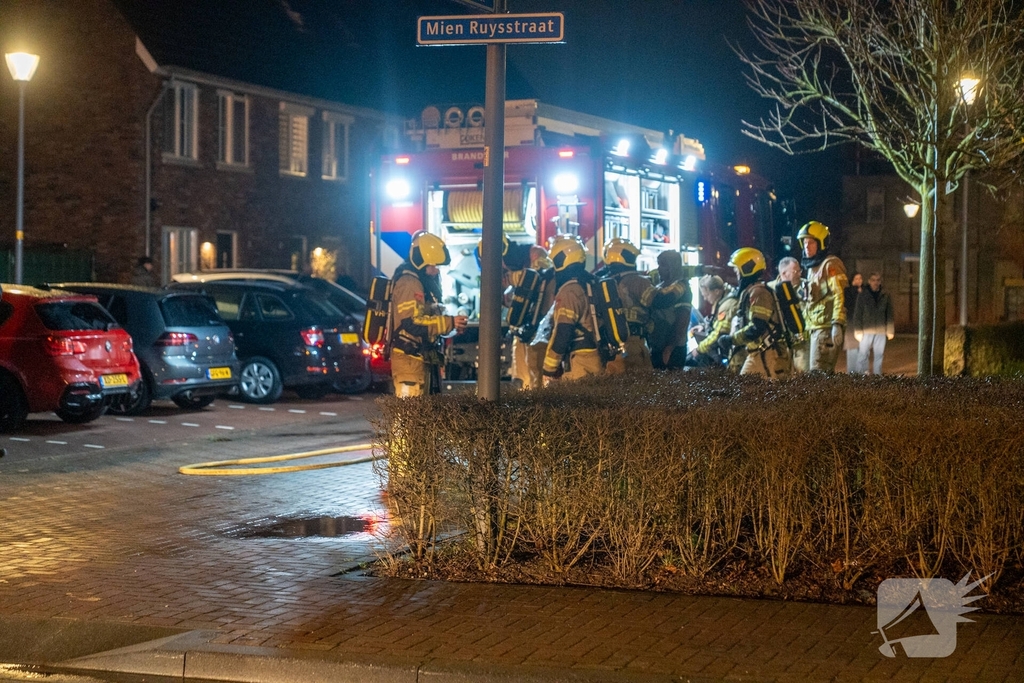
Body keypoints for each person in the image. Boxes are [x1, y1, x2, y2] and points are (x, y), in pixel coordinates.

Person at [389, 232, 468, 397]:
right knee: (408, 419)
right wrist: (450, 323)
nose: (436, 270)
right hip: (409, 362)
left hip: (421, 359)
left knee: (421, 417)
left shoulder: (420, 283)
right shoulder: (409, 284)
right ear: (421, 262)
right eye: (433, 265)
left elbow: (430, 317)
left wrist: (452, 326)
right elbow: (413, 323)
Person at [719, 247, 792, 379]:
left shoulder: (759, 293)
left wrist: (732, 339)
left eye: (737, 269)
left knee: (746, 394)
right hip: (760, 353)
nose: (736, 273)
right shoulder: (753, 290)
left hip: (767, 355)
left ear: (747, 268)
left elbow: (757, 327)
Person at [542, 235, 603, 383]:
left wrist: (549, 369)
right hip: (598, 354)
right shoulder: (592, 282)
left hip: (582, 360)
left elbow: (563, 331)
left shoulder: (569, 291)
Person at [797, 221, 848, 373]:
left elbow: (839, 294)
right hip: (814, 328)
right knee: (813, 375)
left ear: (821, 243)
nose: (807, 246)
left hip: (826, 329)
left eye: (811, 242)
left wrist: (837, 323)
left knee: (819, 374)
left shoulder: (830, 264)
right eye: (804, 243)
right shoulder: (812, 268)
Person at [599, 238, 654, 374]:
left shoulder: (603, 283)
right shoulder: (639, 281)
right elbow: (659, 301)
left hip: (609, 346)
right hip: (634, 344)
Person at [508, 243, 555, 389]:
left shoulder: (529, 281)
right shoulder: (548, 280)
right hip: (535, 334)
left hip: (527, 333)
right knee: (534, 378)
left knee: (529, 379)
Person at [642, 249, 692, 369]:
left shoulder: (682, 288)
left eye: (662, 265)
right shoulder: (659, 287)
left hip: (673, 349)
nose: (659, 268)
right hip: (656, 346)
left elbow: (682, 320)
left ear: (672, 266)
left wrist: (670, 347)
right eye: (658, 264)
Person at [688, 274, 740, 370]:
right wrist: (704, 326)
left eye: (706, 295)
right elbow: (715, 323)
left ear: (716, 291)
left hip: (730, 354)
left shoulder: (727, 306)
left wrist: (699, 349)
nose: (705, 298)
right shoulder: (722, 300)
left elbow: (718, 334)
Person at [853, 272, 895, 375]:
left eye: (878, 280)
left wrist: (890, 330)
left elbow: (889, 314)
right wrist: (858, 330)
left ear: (880, 282)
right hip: (866, 330)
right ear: (869, 281)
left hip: (881, 330)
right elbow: (858, 313)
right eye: (873, 280)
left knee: (879, 354)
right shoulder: (863, 295)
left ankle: (877, 374)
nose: (875, 282)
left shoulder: (885, 295)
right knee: (863, 354)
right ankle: (861, 374)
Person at [771, 256, 808, 373]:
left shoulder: (806, 286)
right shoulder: (770, 289)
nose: (799, 274)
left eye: (799, 271)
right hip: (780, 345)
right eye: (795, 271)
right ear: (784, 273)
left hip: (802, 343)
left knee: (803, 377)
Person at [843, 273, 864, 372]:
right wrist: (857, 292)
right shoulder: (848, 291)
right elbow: (849, 304)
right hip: (851, 322)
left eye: (860, 278)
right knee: (852, 348)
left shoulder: (864, 291)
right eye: (856, 278)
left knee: (863, 348)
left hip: (862, 323)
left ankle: (862, 371)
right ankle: (852, 371)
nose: (859, 280)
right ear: (852, 280)